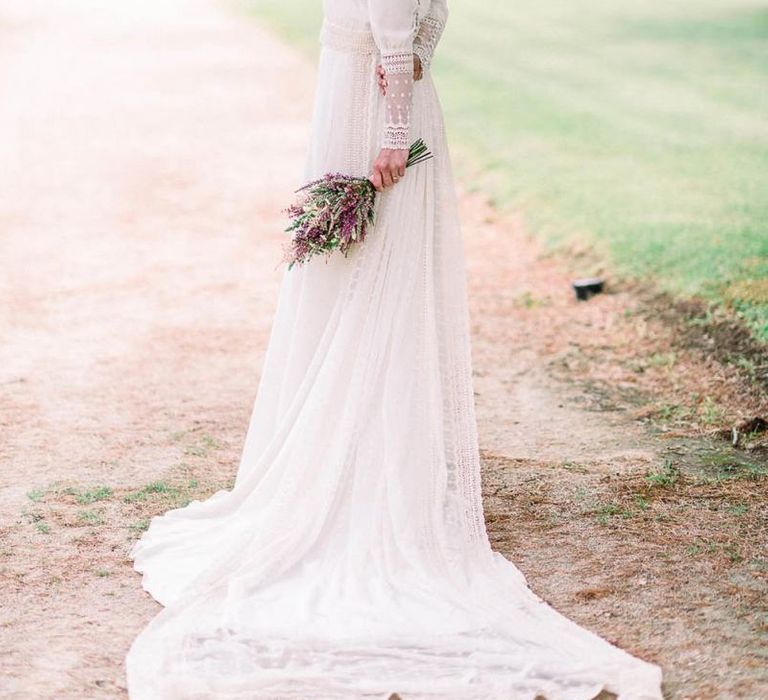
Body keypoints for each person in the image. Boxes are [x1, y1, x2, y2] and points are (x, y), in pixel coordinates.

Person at [126, 1, 664, 698]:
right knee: (371, 277)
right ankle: (364, 450)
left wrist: (395, 123)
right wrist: (405, 100)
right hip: (374, 109)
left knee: (366, 277)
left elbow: (399, 23)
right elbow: (417, 19)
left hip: (369, 111)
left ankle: (365, 454)